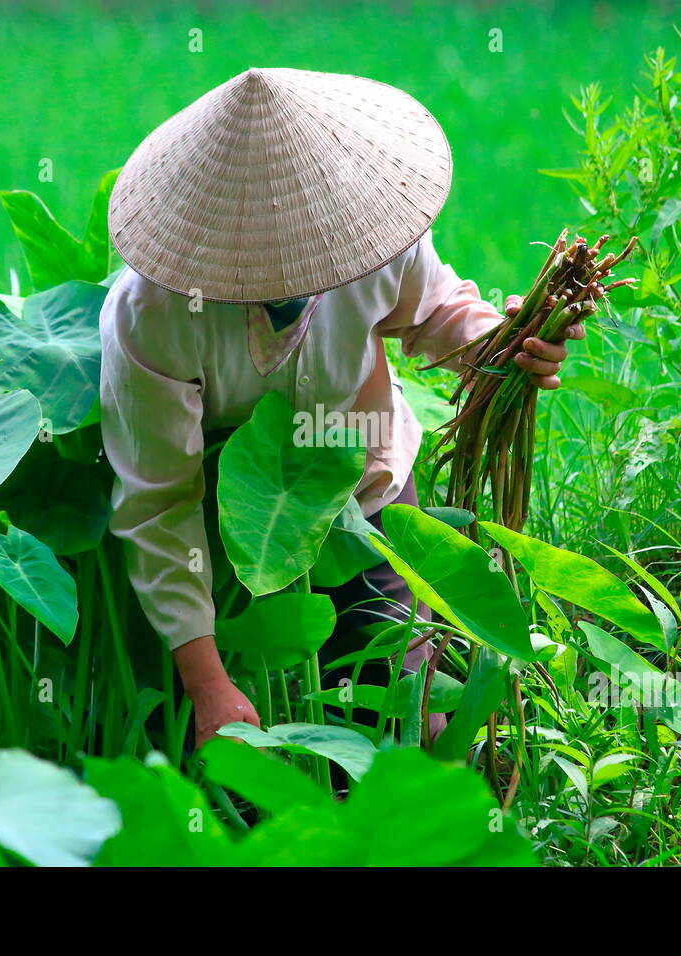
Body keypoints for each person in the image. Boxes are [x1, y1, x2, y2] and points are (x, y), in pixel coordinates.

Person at [98, 67, 582, 749]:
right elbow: (159, 503)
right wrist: (207, 684)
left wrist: (502, 347)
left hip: (363, 484)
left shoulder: (370, 237)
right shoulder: (153, 314)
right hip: (227, 513)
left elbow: (437, 314)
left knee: (402, 718)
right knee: (214, 748)